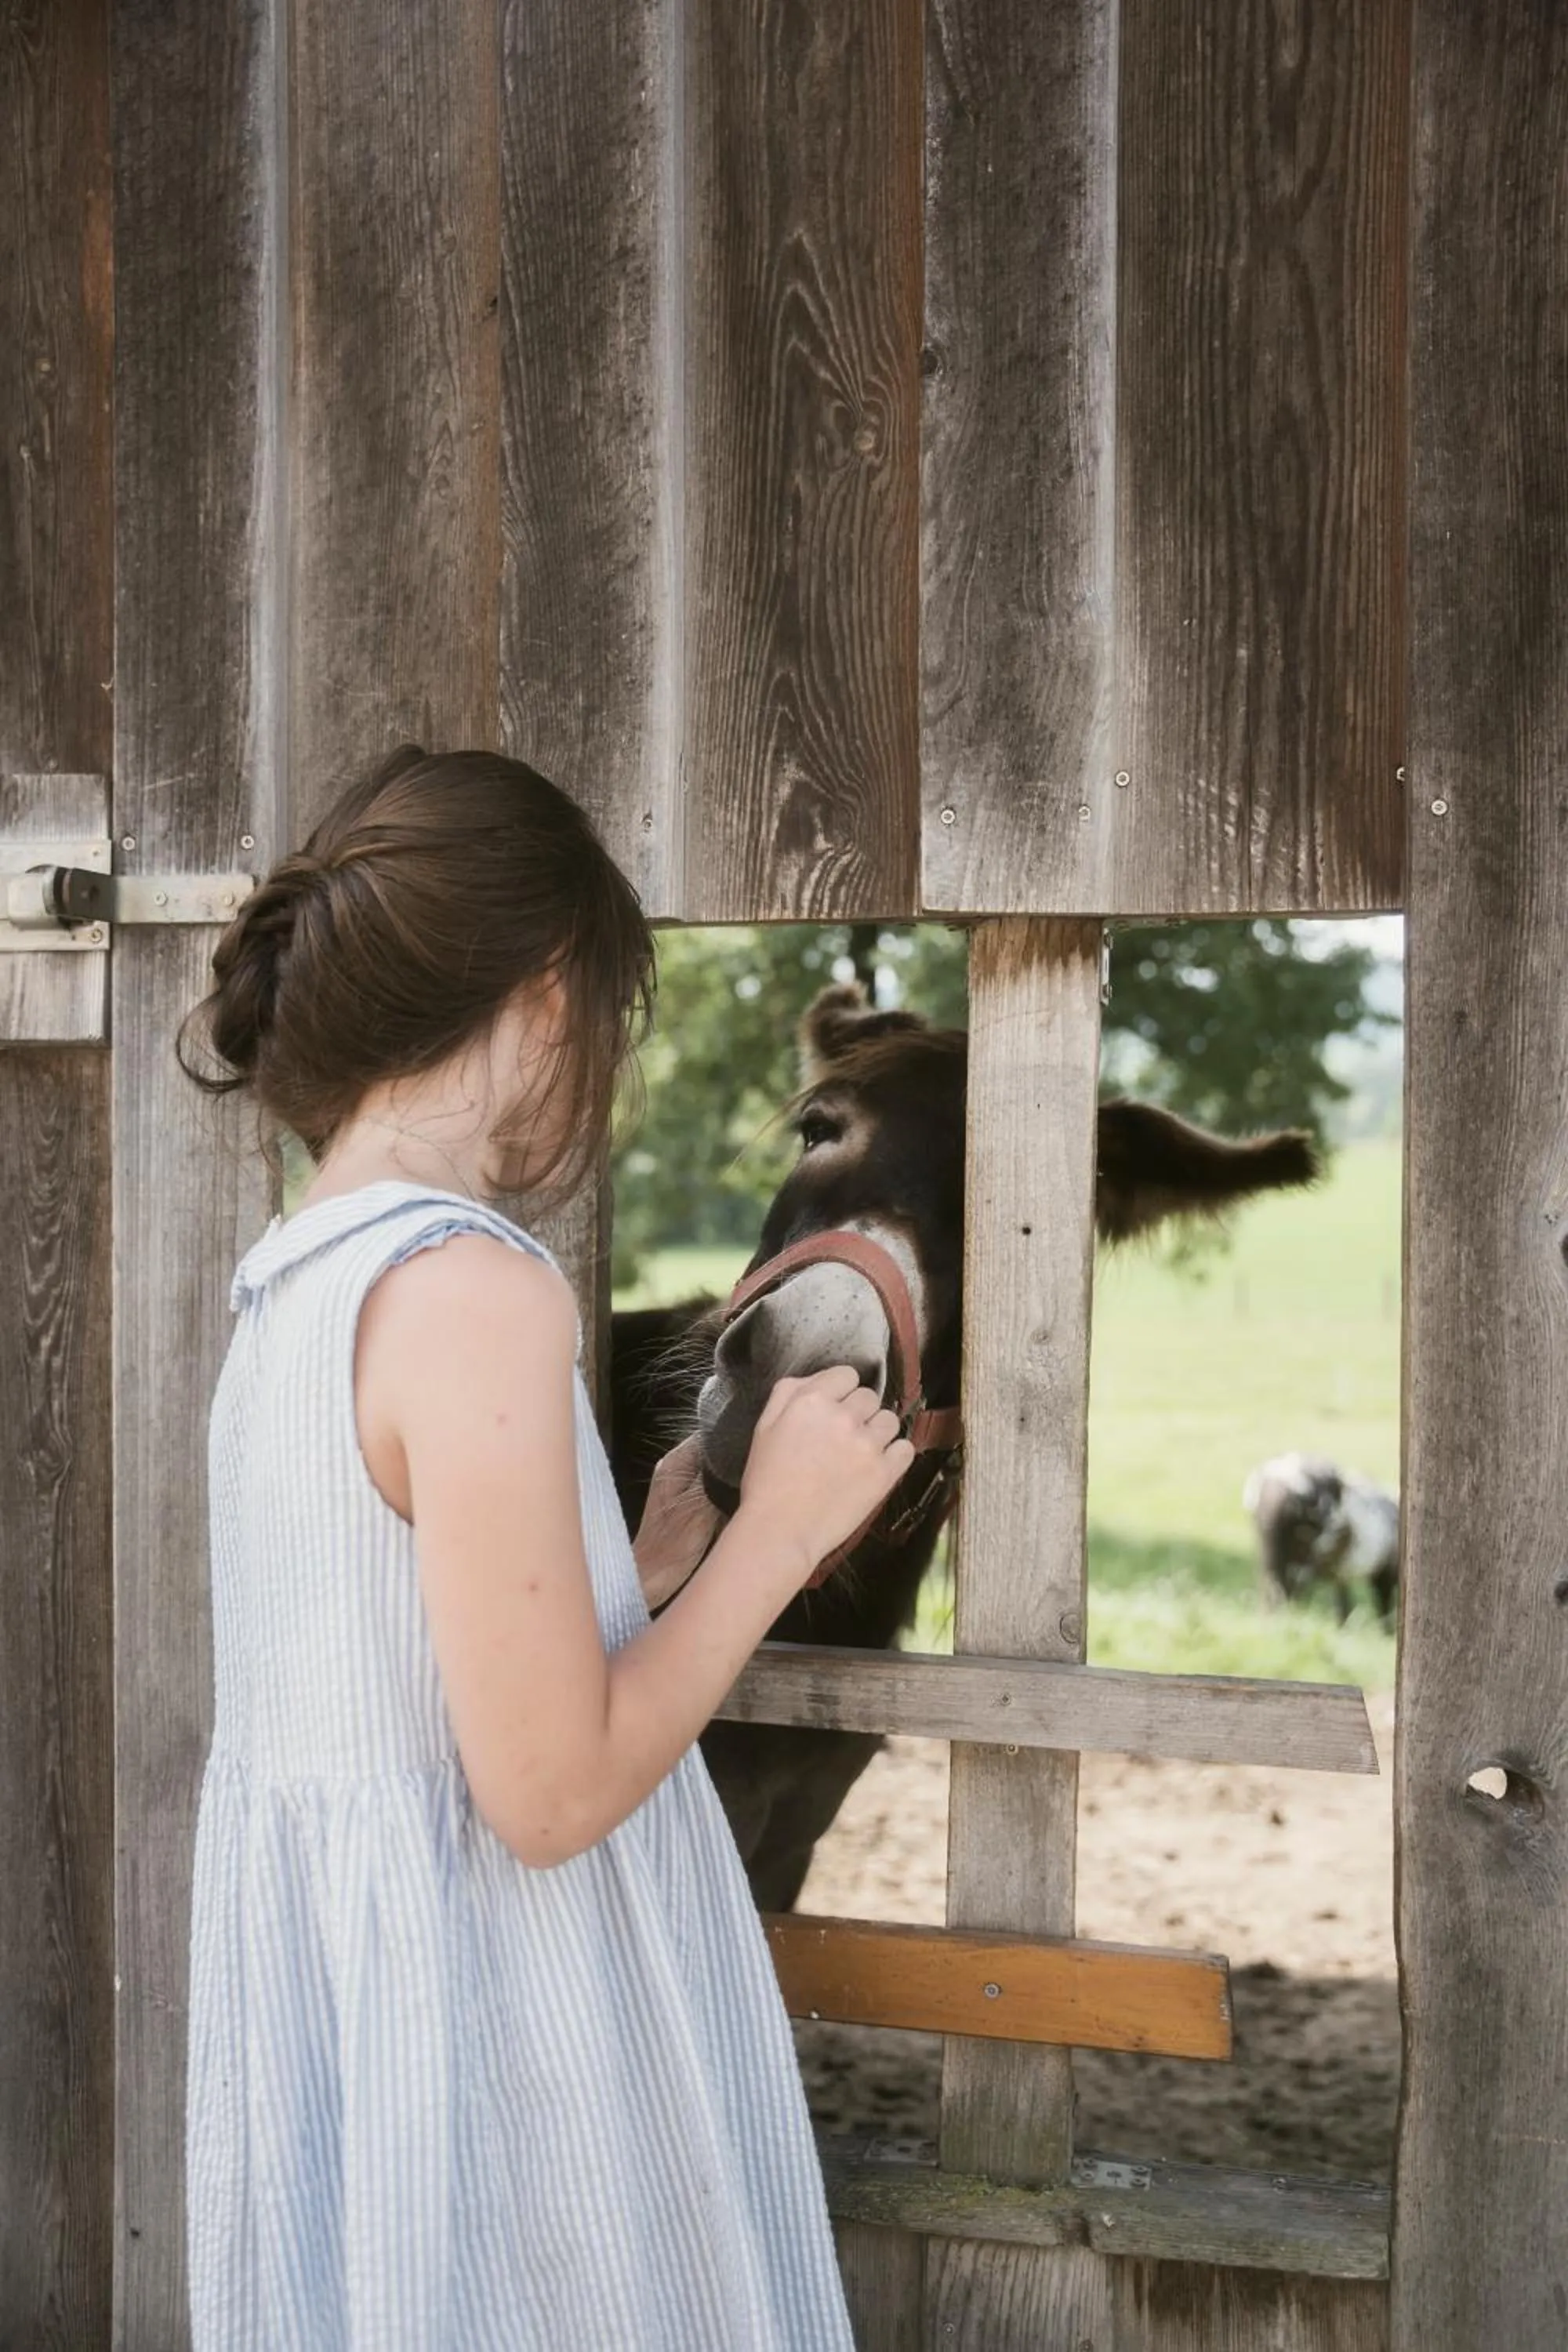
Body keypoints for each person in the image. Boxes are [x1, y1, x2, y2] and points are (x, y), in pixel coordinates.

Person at [176, 744, 914, 2350]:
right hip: (507, 2041)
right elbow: (550, 1796)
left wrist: (625, 1582)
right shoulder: (475, 1289)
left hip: (370, 2044)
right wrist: (779, 1535)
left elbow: (391, 1663)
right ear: (548, 993)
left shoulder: (293, 1286)